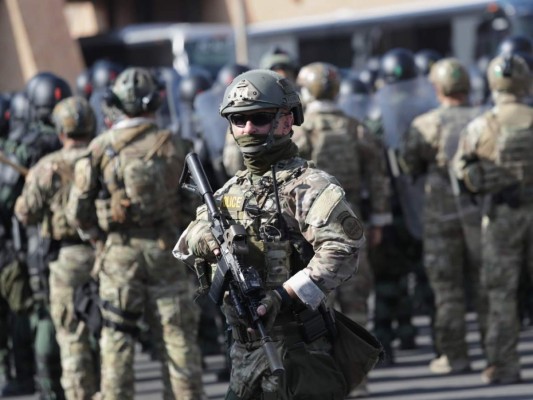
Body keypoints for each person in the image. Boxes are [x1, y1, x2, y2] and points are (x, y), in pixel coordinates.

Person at [173, 69, 366, 399]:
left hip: (299, 352)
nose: (247, 129)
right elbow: (184, 245)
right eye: (238, 120)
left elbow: (343, 249)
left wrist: (284, 295)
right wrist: (208, 240)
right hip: (244, 354)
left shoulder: (308, 186)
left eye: (259, 118)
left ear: (286, 121)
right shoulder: (228, 190)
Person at [66, 67, 205, 399]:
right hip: (168, 253)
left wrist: (97, 237)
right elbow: (196, 207)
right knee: (178, 339)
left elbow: (77, 213)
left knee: (116, 341)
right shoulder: (177, 144)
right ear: (156, 100)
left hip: (118, 256)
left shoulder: (99, 148)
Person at [400, 58, 487, 374]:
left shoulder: (426, 124)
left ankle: (454, 356)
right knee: (486, 287)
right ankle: (496, 355)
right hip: (481, 213)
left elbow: (409, 164)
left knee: (447, 291)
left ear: (437, 88)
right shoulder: (484, 116)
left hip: (440, 216)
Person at [453, 53, 533, 385]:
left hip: (501, 217)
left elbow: (462, 173)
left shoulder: (480, 125)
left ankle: (504, 365)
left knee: (501, 293)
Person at [14, 96, 99, 399]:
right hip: (106, 253)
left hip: (66, 259)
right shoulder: (102, 157)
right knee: (110, 334)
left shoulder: (46, 167)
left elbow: (24, 212)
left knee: (72, 336)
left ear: (60, 131)